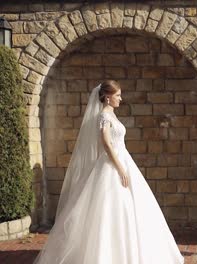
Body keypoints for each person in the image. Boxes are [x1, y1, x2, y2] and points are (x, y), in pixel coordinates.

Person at [34, 80, 184, 264]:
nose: (121, 98)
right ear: (107, 96)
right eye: (118, 95)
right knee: (109, 208)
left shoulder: (111, 114)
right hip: (113, 164)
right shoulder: (104, 115)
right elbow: (106, 143)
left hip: (123, 160)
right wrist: (120, 167)